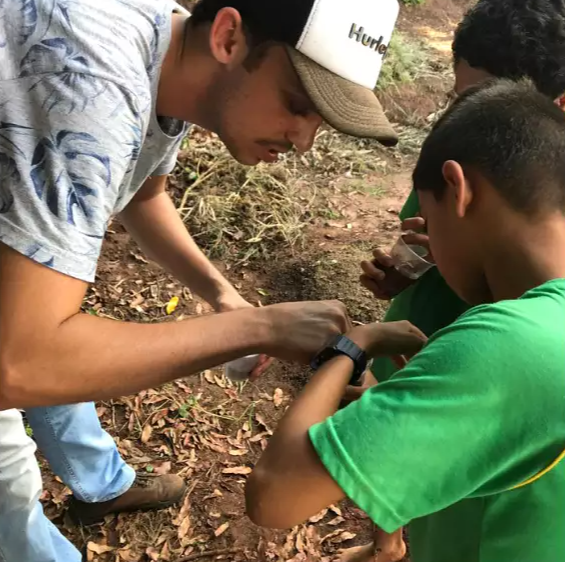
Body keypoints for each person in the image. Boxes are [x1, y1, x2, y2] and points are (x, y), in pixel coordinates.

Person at [0, 0, 401, 560]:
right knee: (9, 498)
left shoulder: (173, 56)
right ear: (230, 37)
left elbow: (144, 195)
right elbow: (23, 362)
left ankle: (100, 486)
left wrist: (222, 296)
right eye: (296, 104)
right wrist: (257, 328)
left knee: (52, 311)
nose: (303, 142)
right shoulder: (95, 85)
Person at [245, 78, 565, 562]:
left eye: (431, 224)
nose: (429, 244)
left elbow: (273, 496)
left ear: (458, 190)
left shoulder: (512, 344)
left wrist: (353, 346)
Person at [362, 0, 565, 385]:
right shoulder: (453, 152)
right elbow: (418, 240)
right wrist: (406, 270)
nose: (466, 121)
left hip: (469, 383)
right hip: (402, 367)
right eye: (461, 99)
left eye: (490, 106)